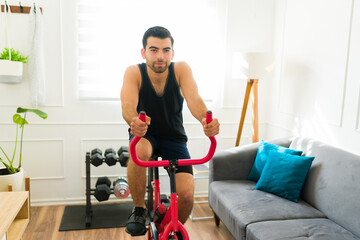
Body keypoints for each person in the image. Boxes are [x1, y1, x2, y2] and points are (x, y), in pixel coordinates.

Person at [120, 26, 220, 237]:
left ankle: (166, 228)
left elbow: (194, 99)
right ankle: (139, 210)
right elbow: (128, 105)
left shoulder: (181, 69)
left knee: (185, 196)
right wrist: (133, 120)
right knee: (140, 153)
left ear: (172, 53)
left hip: (174, 137)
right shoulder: (134, 72)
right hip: (144, 133)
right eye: (154, 50)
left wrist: (205, 119)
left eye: (166, 50)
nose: (160, 56)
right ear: (143, 52)